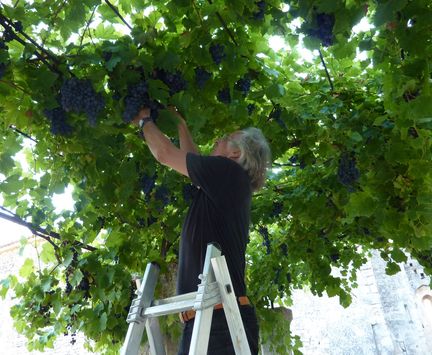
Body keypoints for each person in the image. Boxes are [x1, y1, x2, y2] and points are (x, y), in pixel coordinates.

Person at [132, 106, 271, 354]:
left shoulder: (228, 174)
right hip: (213, 318)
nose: (217, 140)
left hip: (220, 321)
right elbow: (194, 167)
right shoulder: (227, 184)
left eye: (224, 139)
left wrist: (144, 120)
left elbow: (164, 153)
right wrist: (181, 125)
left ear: (235, 153)